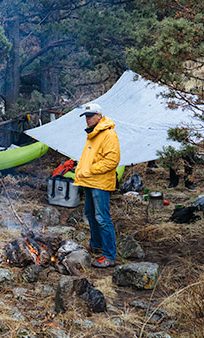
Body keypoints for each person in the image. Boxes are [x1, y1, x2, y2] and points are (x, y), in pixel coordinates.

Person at [73, 103, 121, 268]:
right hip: (89, 181)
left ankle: (109, 255)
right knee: (90, 214)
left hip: (99, 182)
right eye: (86, 116)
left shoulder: (108, 134)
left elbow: (112, 160)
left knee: (102, 218)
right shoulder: (93, 133)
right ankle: (96, 245)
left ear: (99, 116)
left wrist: (90, 169)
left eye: (91, 115)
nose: (87, 119)